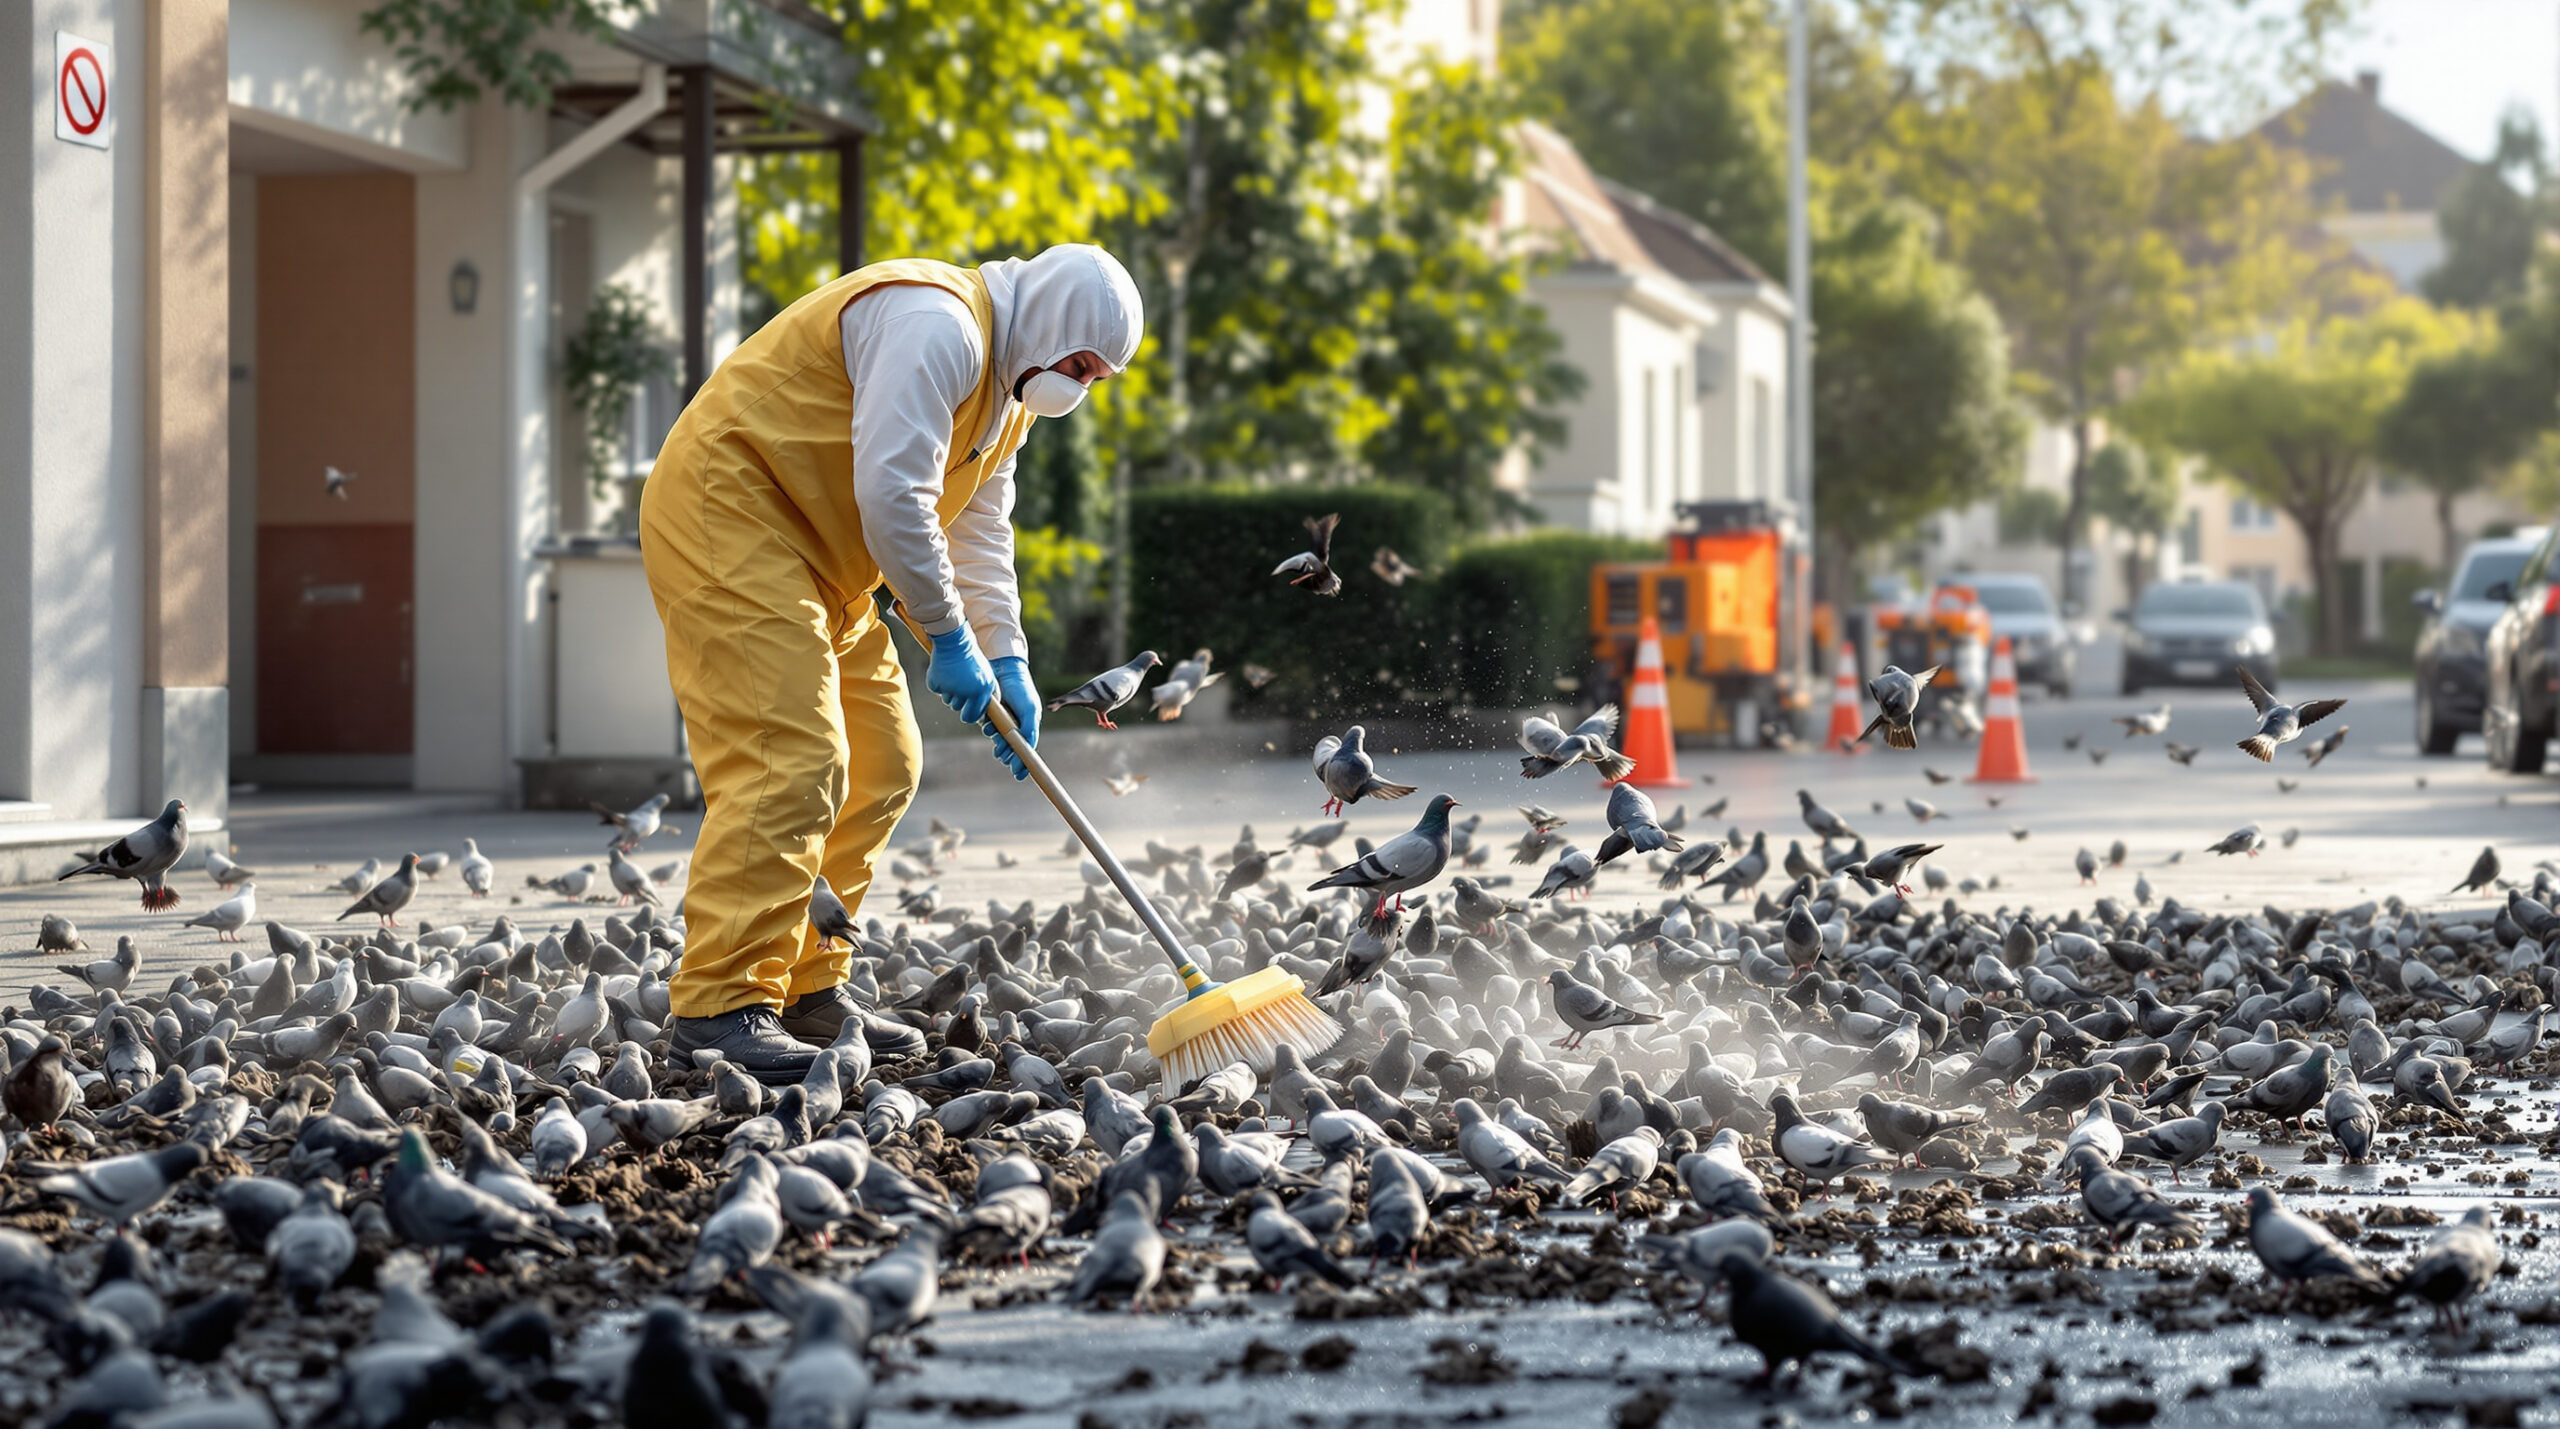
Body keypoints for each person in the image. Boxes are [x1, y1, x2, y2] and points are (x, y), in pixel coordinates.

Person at [638, 245, 1143, 1080]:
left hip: (825, 559)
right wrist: (948, 636)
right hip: (730, 512)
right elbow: (894, 492)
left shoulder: (1010, 394)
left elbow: (976, 526)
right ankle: (720, 1005)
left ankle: (807, 984)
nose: (1080, 387)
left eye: (1096, 377)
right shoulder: (936, 325)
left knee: (885, 763)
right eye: (1081, 363)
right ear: (1052, 321)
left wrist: (1004, 652)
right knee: (789, 757)